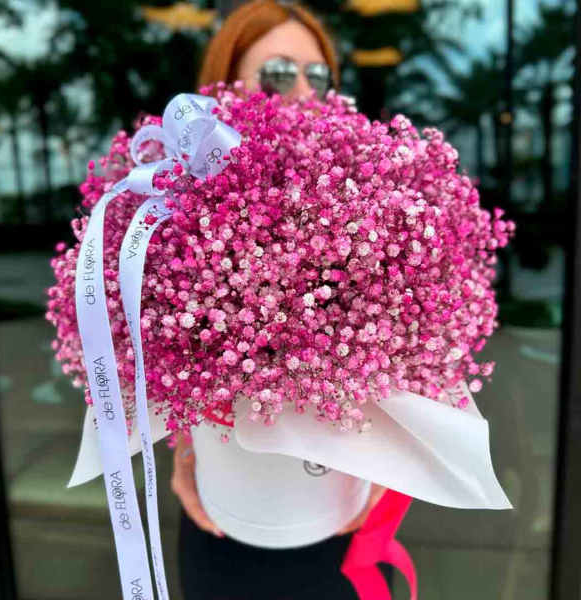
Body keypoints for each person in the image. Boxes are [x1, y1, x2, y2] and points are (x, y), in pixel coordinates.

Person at [170, 2, 390, 599]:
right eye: (278, 73)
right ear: (224, 86)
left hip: (342, 527)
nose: (303, 91)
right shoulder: (175, 215)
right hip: (224, 528)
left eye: (318, 76)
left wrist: (395, 466)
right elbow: (161, 354)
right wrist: (182, 448)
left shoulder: (372, 204)